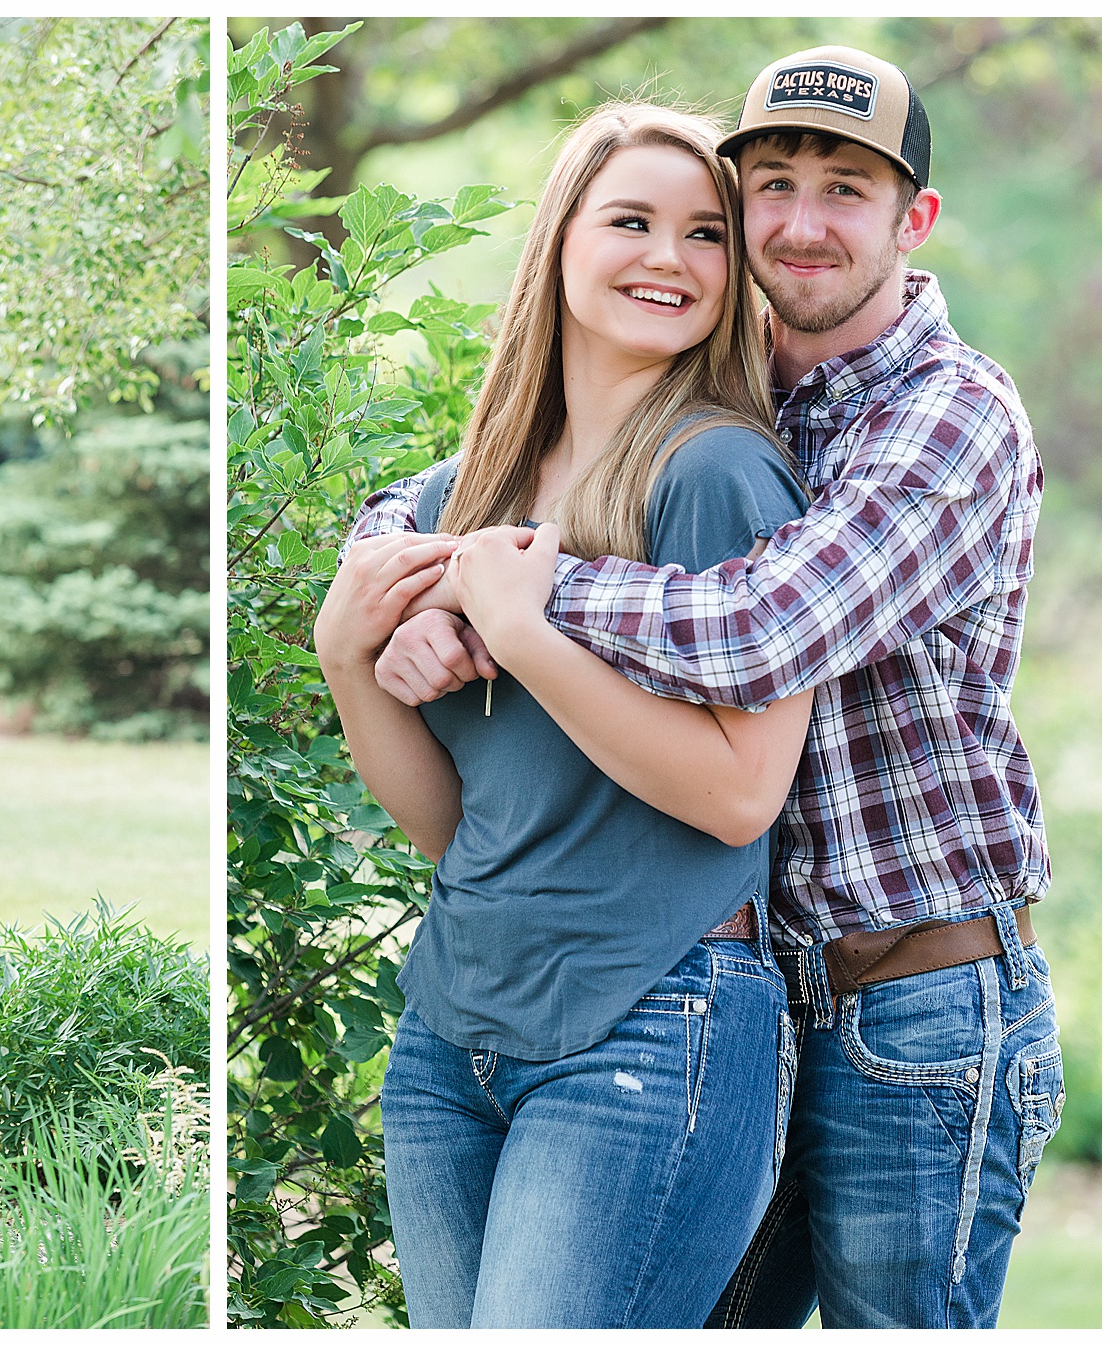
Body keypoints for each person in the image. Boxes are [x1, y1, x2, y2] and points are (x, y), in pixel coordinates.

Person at [352, 47, 1061, 1329]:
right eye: (771, 184)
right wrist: (398, 600)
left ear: (914, 219)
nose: (800, 220)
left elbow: (756, 628)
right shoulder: (745, 398)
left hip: (912, 997)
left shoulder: (948, 416)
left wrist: (499, 595)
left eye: (846, 189)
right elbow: (491, 483)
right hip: (747, 984)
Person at [314, 102, 815, 1329]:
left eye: (706, 234)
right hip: (450, 1040)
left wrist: (527, 635)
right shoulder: (463, 490)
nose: (671, 257)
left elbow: (744, 790)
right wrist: (345, 652)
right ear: (560, 242)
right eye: (632, 221)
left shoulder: (716, 471)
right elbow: (453, 823)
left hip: (650, 1020)